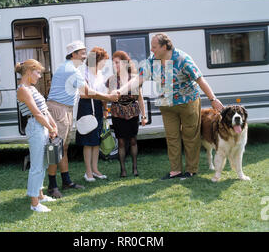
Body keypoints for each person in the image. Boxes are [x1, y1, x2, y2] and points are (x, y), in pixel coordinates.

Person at [115, 33, 224, 180]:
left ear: (165, 46)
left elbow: (200, 79)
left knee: (190, 137)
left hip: (187, 102)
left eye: (154, 47)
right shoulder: (152, 61)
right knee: (172, 137)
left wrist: (213, 99)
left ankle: (191, 170)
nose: (151, 50)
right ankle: (175, 171)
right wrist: (120, 91)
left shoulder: (182, 59)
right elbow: (138, 79)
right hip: (166, 104)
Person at [46, 41, 119, 198]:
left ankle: (66, 182)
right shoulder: (71, 70)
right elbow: (87, 92)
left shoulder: (69, 67)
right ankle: (52, 186)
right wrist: (108, 96)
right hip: (59, 110)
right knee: (55, 148)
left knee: (62, 148)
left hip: (63, 109)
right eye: (82, 52)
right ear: (73, 55)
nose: (85, 55)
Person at [15, 59, 58, 213]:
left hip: (42, 126)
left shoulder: (31, 88)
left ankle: (40, 195)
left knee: (43, 163)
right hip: (35, 127)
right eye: (38, 72)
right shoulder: (23, 90)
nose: (40, 76)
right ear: (28, 71)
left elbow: (44, 110)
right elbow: (37, 113)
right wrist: (50, 127)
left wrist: (53, 126)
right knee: (36, 166)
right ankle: (34, 203)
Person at [106, 51, 148, 177]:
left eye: (117, 63)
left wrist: (144, 116)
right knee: (121, 142)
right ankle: (123, 170)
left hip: (133, 112)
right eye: (114, 63)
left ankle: (135, 168)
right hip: (118, 113)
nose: (115, 66)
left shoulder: (135, 78)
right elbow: (108, 98)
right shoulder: (112, 79)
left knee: (133, 140)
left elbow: (140, 98)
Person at [76, 47, 109, 182]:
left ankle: (95, 169)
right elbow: (83, 93)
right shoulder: (83, 73)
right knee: (88, 141)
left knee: (96, 141)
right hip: (86, 107)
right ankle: (88, 172)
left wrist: (105, 108)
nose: (105, 63)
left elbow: (102, 94)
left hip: (98, 107)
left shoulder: (99, 74)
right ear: (96, 60)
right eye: (103, 60)